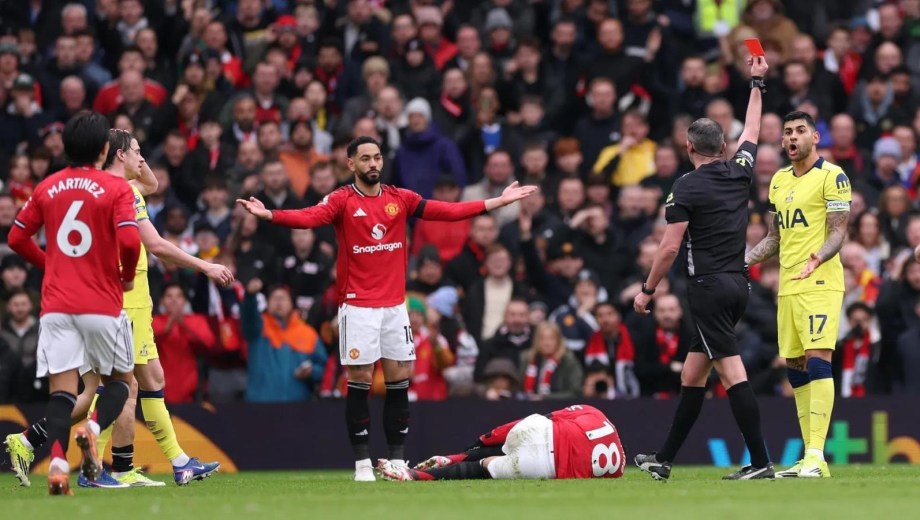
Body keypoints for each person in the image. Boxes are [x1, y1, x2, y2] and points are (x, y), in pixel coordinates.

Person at [237, 136, 536, 482]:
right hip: (358, 307)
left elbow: (447, 211)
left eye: (377, 157)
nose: (373, 164)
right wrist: (269, 214)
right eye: (365, 159)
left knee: (399, 380)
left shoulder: (400, 198)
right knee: (361, 379)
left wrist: (494, 202)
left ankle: (396, 460)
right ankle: (362, 463)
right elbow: (309, 217)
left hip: (395, 307)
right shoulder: (341, 200)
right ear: (351, 164)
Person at [5, 129, 231, 488]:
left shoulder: (101, 188)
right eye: (137, 153)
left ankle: (51, 447)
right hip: (124, 300)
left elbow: (153, 185)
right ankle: (173, 462)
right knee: (136, 383)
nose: (143, 160)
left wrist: (133, 157)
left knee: (98, 390)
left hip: (96, 299)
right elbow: (153, 245)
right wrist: (205, 266)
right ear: (115, 154)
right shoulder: (121, 193)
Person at [632, 56, 773, 481]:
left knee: (731, 372)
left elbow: (670, 247)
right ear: (724, 147)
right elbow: (752, 128)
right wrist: (756, 82)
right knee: (693, 374)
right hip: (737, 284)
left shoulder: (685, 186)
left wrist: (648, 290)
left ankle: (762, 462)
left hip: (708, 287)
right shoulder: (739, 171)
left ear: (688, 147)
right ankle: (665, 458)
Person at [5, 111, 141, 496]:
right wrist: (127, 275)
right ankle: (93, 429)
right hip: (101, 301)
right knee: (121, 382)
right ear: (103, 149)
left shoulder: (47, 186)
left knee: (62, 395)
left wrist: (51, 264)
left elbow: (16, 238)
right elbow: (130, 242)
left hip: (57, 307)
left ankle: (59, 468)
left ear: (65, 148)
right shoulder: (115, 189)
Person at [744, 110, 852, 479]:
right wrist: (743, 261)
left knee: (818, 357)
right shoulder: (778, 180)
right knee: (795, 366)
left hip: (820, 280)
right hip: (788, 285)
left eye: (800, 131)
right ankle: (808, 457)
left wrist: (818, 257)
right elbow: (775, 237)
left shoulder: (832, 176)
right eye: (787, 132)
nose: (792, 137)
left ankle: (818, 456)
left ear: (815, 137)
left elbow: (839, 231)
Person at [376, 404, 625, 481]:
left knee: (504, 442)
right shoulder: (620, 466)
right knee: (484, 465)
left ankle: (454, 456)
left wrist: (481, 439)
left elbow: (543, 420)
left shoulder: (592, 412)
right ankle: (414, 476)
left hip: (539, 433)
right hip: (547, 468)